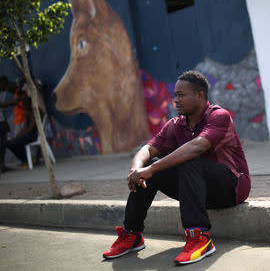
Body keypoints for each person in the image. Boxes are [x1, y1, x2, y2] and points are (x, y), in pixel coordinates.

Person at [103, 70, 251, 265]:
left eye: (181, 95)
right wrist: (136, 170)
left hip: (232, 187)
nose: (176, 101)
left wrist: (152, 169)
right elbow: (147, 148)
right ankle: (132, 234)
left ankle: (199, 237)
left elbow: (197, 146)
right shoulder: (176, 124)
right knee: (148, 168)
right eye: (175, 95)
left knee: (187, 160)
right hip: (199, 190)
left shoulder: (218, 116)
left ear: (199, 95)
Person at [0, 77, 17, 171]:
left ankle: (2, 165)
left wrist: (6, 121)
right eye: (4, 85)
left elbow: (1, 109)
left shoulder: (3, 92)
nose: (5, 88)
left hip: (1, 120)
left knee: (3, 144)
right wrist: (13, 102)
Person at [5, 97, 38, 165]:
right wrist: (17, 136)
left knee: (15, 143)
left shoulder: (35, 111)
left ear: (29, 104)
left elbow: (31, 127)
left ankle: (26, 160)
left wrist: (19, 136)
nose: (24, 107)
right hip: (28, 135)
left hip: (34, 135)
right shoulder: (27, 112)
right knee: (11, 143)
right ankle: (26, 160)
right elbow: (25, 127)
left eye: (25, 105)